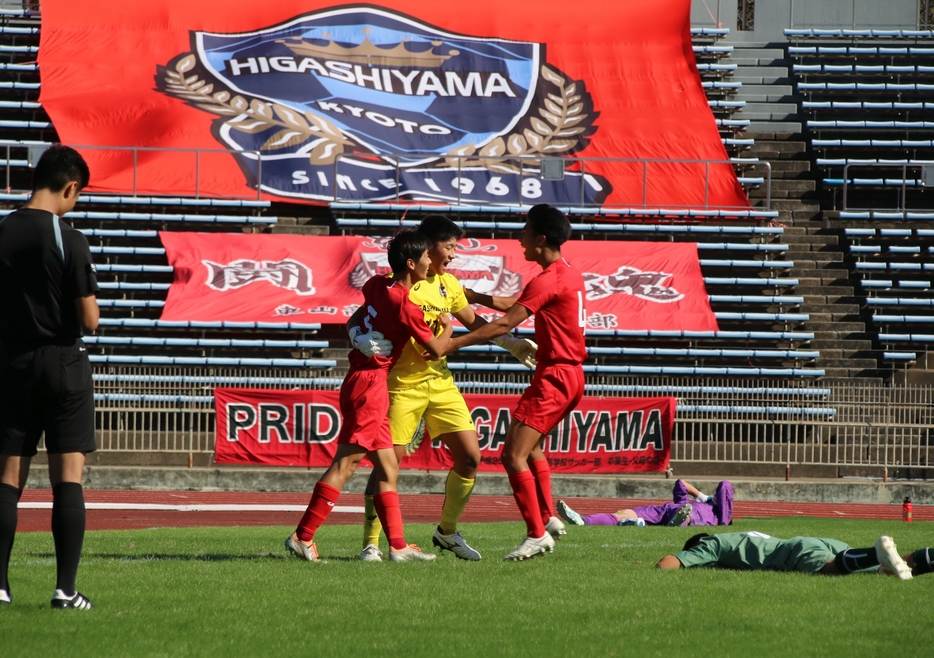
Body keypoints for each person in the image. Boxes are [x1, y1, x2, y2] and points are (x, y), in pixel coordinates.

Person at [350, 215, 537, 562]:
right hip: (402, 386)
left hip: (441, 383)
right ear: (428, 247)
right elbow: (365, 315)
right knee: (388, 467)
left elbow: (474, 322)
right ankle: (371, 543)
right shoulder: (402, 282)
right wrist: (356, 335)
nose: (453, 254)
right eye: (449, 246)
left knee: (470, 457)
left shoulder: (449, 284)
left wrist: (510, 343)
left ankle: (447, 532)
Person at [285, 230, 452, 563]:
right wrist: (447, 326)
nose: (431, 261)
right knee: (346, 464)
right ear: (411, 263)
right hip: (371, 385)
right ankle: (302, 536)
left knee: (388, 468)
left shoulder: (378, 284)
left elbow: (356, 318)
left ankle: (399, 547)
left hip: (362, 379)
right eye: (426, 257)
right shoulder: (405, 305)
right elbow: (435, 349)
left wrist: (357, 334)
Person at [444, 204, 587, 561]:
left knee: (513, 455)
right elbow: (519, 304)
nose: (520, 236)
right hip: (569, 375)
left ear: (541, 238)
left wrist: (453, 344)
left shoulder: (547, 278)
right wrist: (476, 298)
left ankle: (535, 533)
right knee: (532, 448)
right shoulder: (565, 273)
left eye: (525, 231)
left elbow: (506, 323)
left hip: (554, 375)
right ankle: (547, 518)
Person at [0, 145, 98, 609]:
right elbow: (89, 318)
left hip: (11, 362)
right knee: (68, 478)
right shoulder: (69, 237)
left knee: (7, 476)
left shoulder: (2, 229)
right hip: (62, 363)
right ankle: (65, 589)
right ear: (71, 187)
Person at [656, 531, 926, 580]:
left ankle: (874, 552)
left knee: (828, 570)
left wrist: (658, 568)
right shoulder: (738, 537)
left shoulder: (712, 543)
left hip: (795, 552)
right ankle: (927, 559)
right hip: (814, 541)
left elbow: (670, 562)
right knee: (889, 570)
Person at [557, 479, 733, 528]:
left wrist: (714, 500)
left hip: (692, 517)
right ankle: (583, 520)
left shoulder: (720, 516)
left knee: (686, 514)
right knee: (622, 512)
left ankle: (678, 523)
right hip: (664, 510)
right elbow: (680, 484)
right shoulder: (699, 502)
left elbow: (725, 486)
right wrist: (702, 496)